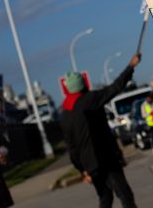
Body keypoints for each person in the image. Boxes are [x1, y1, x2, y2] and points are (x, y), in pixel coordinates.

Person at [61, 53, 141, 208]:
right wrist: (131, 66)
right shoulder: (89, 100)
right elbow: (115, 88)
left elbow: (72, 147)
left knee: (105, 197)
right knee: (124, 194)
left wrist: (82, 170)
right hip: (104, 159)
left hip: (90, 165)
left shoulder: (65, 113)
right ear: (82, 84)